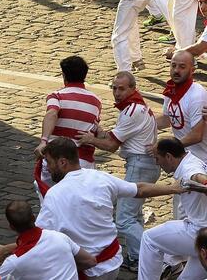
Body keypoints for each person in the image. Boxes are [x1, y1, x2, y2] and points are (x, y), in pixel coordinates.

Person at [36, 137, 185, 279]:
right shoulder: (100, 177)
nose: (47, 168)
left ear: (63, 162)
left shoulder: (54, 195)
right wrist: (173, 188)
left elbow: (39, 238)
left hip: (87, 271)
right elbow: (139, 189)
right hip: (113, 263)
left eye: (49, 162)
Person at [73, 71, 158, 270]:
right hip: (144, 164)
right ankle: (137, 257)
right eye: (114, 88)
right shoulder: (136, 107)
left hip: (140, 165)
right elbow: (117, 137)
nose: (117, 93)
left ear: (132, 89)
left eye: (121, 89)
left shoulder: (131, 111)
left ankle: (152, 256)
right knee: (134, 215)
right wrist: (101, 132)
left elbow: (111, 146)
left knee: (124, 219)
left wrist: (90, 139)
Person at [33, 56, 101, 199]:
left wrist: (44, 140)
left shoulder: (56, 96)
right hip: (83, 163)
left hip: (57, 161)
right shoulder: (96, 101)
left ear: (64, 75)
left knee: (51, 202)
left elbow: (52, 113)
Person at [139, 138, 207, 278]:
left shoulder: (189, 169)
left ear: (169, 156)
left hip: (198, 232)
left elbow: (197, 176)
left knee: (149, 239)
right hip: (201, 235)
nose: (157, 163)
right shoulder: (191, 158)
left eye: (157, 158)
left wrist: (203, 182)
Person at [0, 200, 97, 278]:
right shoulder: (59, 237)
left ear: (11, 227)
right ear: (34, 217)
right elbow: (90, 261)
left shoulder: (13, 263)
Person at [157, 50, 207, 160]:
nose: (176, 70)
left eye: (182, 67)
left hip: (201, 160)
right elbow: (167, 119)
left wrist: (169, 147)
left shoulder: (197, 96)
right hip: (185, 157)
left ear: (192, 70)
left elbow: (196, 135)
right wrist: (141, 124)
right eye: (173, 65)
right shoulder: (171, 90)